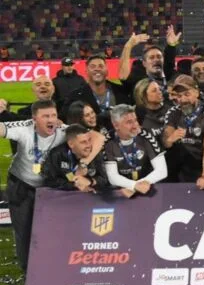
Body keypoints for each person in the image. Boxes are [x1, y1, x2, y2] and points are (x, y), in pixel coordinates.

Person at [0, 101, 104, 270]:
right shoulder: (23, 128)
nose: (51, 120)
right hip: (22, 186)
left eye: (53, 115)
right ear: (34, 119)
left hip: (50, 188)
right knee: (24, 234)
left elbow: (98, 137)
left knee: (53, 232)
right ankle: (29, 275)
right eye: (45, 116)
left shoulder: (63, 131)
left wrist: (84, 163)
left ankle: (52, 272)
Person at [103, 104, 168, 198]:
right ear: (116, 125)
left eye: (135, 120)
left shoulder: (146, 135)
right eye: (129, 122)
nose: (135, 126)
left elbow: (162, 170)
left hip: (148, 188)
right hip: (122, 193)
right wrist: (134, 186)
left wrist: (136, 186)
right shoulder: (107, 141)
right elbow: (112, 177)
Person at [64, 55, 129, 129]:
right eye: (93, 66)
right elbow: (66, 119)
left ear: (107, 71)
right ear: (86, 71)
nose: (97, 69)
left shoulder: (121, 91)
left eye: (101, 66)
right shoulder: (75, 96)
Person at [42, 124, 107, 192]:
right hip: (65, 195)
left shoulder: (94, 153)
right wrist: (74, 185)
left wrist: (89, 181)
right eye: (83, 142)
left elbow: (104, 179)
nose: (88, 145)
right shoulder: (57, 154)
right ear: (71, 144)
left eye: (89, 140)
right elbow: (49, 180)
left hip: (90, 195)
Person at [119, 26, 179, 98]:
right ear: (144, 63)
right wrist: (128, 46)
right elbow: (123, 77)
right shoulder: (138, 80)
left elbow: (169, 61)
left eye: (159, 57)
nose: (156, 60)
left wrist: (171, 45)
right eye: (151, 57)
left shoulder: (169, 76)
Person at [133, 77, 174, 142]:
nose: (160, 92)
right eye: (154, 91)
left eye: (159, 89)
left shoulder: (170, 106)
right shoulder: (138, 115)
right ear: (143, 96)